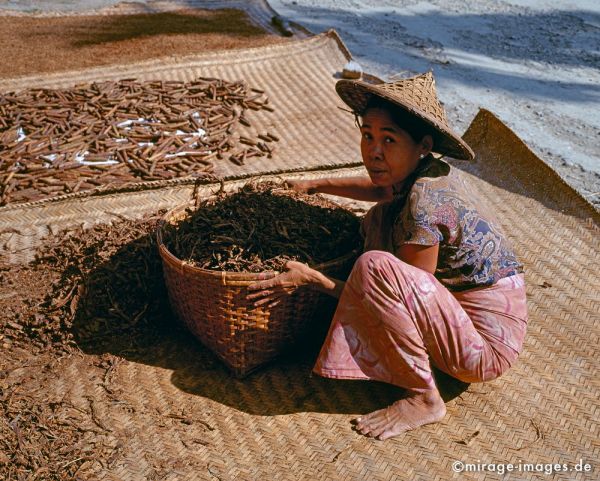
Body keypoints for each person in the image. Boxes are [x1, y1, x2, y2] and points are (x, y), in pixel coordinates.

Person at [247, 72, 528, 440]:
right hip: (461, 310)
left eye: (389, 140)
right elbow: (379, 189)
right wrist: (314, 184)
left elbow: (401, 291)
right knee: (379, 219)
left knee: (374, 266)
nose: (373, 151)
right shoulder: (422, 170)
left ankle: (424, 397)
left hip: (485, 346)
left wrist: (315, 280)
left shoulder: (427, 203)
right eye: (368, 136)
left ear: (423, 144)